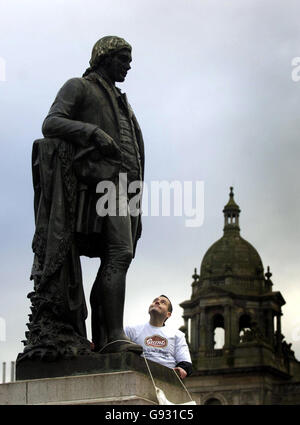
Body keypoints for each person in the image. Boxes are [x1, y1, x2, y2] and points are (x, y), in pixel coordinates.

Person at [19, 36, 144, 361]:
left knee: (118, 258)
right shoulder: (79, 86)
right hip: (101, 184)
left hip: (127, 188)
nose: (128, 65)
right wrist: (92, 133)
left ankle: (105, 338)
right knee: (120, 253)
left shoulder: (122, 101)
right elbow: (51, 123)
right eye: (122, 58)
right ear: (104, 57)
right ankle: (114, 336)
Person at [125, 295, 192, 379]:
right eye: (155, 301)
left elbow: (186, 363)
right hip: (138, 377)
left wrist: (182, 369)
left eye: (163, 302)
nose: (157, 302)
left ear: (168, 314)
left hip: (167, 379)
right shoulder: (130, 330)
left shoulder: (178, 335)